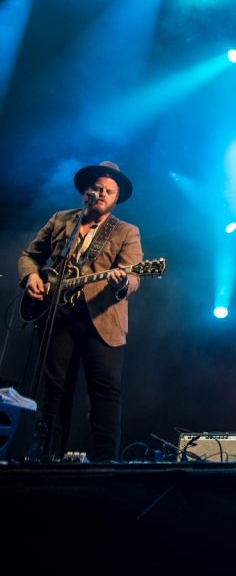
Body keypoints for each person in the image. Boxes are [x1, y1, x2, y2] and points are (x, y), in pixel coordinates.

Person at [18, 161, 143, 462]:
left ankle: (104, 462)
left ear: (116, 199)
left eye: (108, 191)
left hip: (101, 319)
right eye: (97, 188)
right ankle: (45, 455)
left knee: (104, 392)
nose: (101, 194)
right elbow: (29, 256)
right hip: (57, 316)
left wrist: (123, 281)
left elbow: (136, 275)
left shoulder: (126, 231)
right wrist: (31, 277)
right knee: (54, 389)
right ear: (86, 191)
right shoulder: (62, 220)